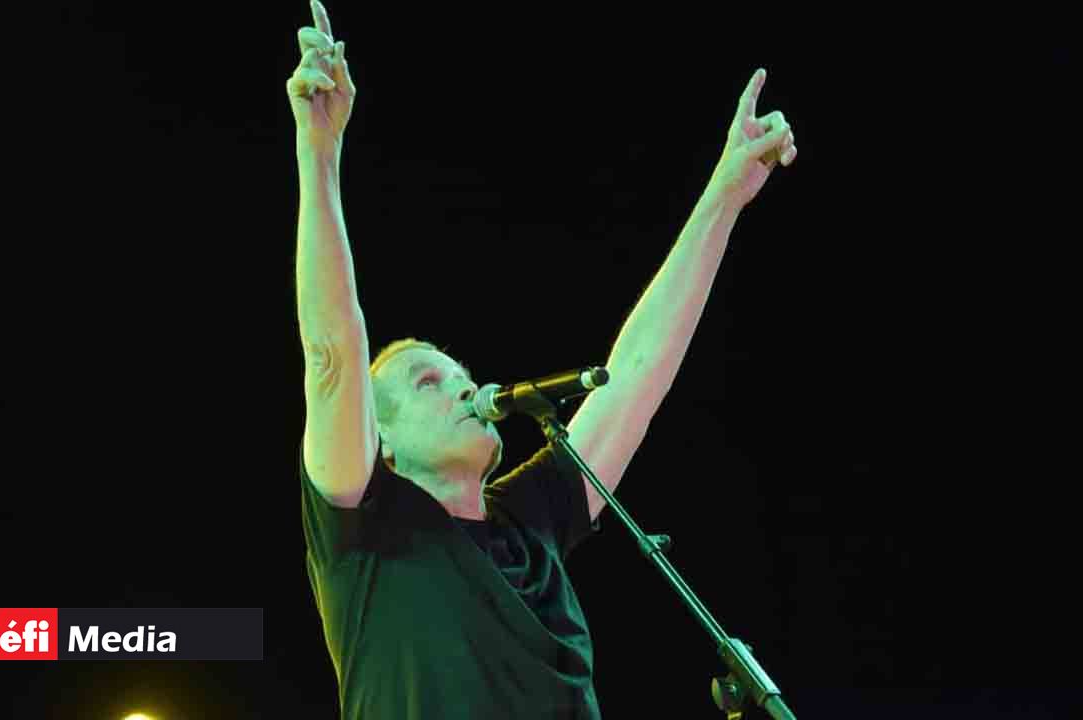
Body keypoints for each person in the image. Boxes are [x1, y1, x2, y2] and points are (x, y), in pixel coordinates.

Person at [286, 2, 796, 718]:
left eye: (464, 376)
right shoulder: (365, 535)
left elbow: (635, 373)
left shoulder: (530, 521)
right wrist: (319, 153)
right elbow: (332, 353)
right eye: (429, 382)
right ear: (383, 443)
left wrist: (725, 195)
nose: (465, 389)